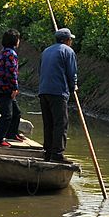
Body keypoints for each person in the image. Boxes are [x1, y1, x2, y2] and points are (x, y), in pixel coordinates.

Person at [38, 27, 77, 163]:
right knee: (60, 123)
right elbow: (71, 73)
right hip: (58, 92)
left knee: (48, 123)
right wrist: (73, 87)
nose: (71, 42)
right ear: (67, 40)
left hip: (43, 91)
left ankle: (48, 152)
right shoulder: (68, 51)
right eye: (70, 39)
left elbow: (40, 70)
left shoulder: (46, 51)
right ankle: (57, 154)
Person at [0, 29, 23, 147]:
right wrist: (15, 87)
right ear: (15, 41)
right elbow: (11, 72)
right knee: (7, 115)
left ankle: (12, 134)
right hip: (4, 89)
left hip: (2, 87)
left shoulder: (4, 52)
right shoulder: (11, 54)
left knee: (17, 113)